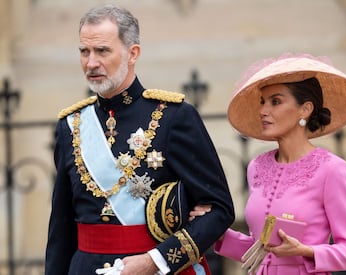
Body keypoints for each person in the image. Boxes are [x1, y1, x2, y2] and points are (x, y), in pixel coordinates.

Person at [45, 4, 235, 275]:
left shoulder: (174, 117)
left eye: (102, 51)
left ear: (132, 53)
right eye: (84, 52)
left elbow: (219, 210)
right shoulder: (71, 125)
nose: (91, 63)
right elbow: (61, 228)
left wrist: (156, 261)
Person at [214, 53, 346, 274]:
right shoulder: (256, 167)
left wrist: (306, 251)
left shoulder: (332, 170)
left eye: (275, 101)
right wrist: (218, 234)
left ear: (305, 109)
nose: (263, 111)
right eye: (262, 102)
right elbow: (261, 251)